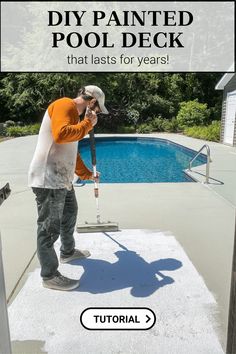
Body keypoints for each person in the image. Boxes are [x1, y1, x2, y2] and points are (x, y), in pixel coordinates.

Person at [28, 85, 108, 291]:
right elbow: (61, 135)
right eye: (98, 109)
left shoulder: (75, 118)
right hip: (49, 179)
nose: (97, 113)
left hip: (62, 178)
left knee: (70, 212)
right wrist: (87, 124)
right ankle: (49, 275)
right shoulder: (65, 105)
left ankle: (67, 251)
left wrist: (87, 174)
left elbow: (71, 152)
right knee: (49, 228)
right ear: (91, 102)